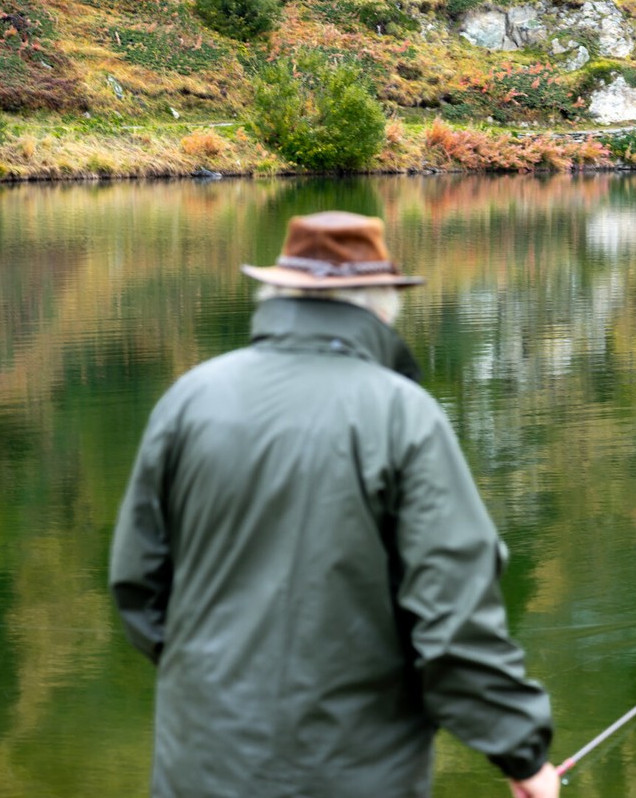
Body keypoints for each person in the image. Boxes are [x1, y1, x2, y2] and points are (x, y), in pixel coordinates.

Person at [109, 211, 559, 798]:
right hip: (355, 774)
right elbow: (452, 621)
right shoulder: (404, 415)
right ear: (382, 306)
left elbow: (138, 586)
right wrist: (521, 756)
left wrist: (215, 678)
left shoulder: (189, 399)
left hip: (200, 766)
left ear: (277, 292)